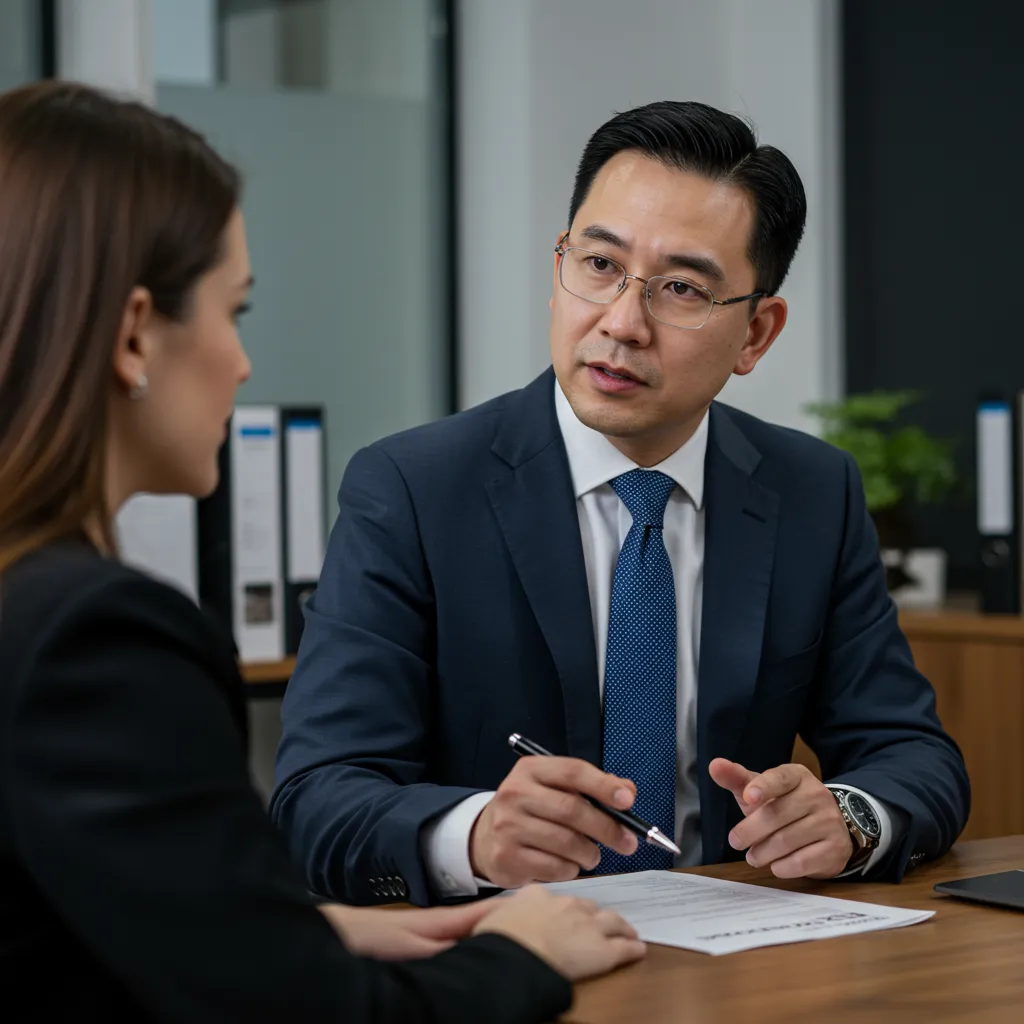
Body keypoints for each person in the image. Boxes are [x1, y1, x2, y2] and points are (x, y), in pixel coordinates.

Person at [0, 82, 646, 1022]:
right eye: (236, 313)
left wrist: (311, 933)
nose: (242, 362)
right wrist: (519, 954)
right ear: (137, 333)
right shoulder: (92, 638)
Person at [272, 99, 970, 907]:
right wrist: (475, 833)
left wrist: (847, 817)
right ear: (558, 268)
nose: (623, 323)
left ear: (756, 335)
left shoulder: (811, 491)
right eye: (599, 266)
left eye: (679, 288)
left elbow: (915, 755)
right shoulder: (413, 490)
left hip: (735, 963)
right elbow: (316, 798)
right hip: (501, 961)